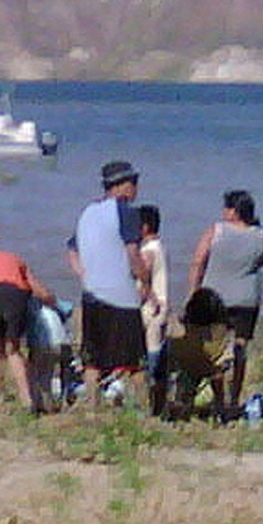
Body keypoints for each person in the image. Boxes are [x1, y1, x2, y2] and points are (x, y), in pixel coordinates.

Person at [67, 161, 151, 406]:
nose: (136, 189)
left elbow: (72, 251)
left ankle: (93, 407)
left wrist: (86, 275)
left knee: (93, 358)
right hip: (120, 296)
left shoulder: (88, 212)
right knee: (134, 360)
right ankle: (144, 411)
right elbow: (133, 254)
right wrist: (145, 280)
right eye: (134, 183)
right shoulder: (126, 212)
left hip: (91, 294)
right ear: (123, 186)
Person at [188, 190, 263, 421]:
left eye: (226, 208)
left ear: (234, 211)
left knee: (215, 352)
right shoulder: (260, 235)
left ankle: (219, 400)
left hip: (216, 298)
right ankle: (234, 400)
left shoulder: (216, 231)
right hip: (246, 299)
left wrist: (193, 292)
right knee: (240, 349)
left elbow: (198, 261)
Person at [0, 242, 55, 410]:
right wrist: (52, 301)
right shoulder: (14, 258)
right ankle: (26, 399)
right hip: (14, 296)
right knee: (13, 351)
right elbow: (36, 288)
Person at [138, 205, 169, 415]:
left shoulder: (148, 251)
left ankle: (146, 404)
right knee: (158, 355)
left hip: (150, 310)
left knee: (149, 358)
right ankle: (158, 404)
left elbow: (143, 276)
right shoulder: (161, 247)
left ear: (145, 227)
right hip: (162, 308)